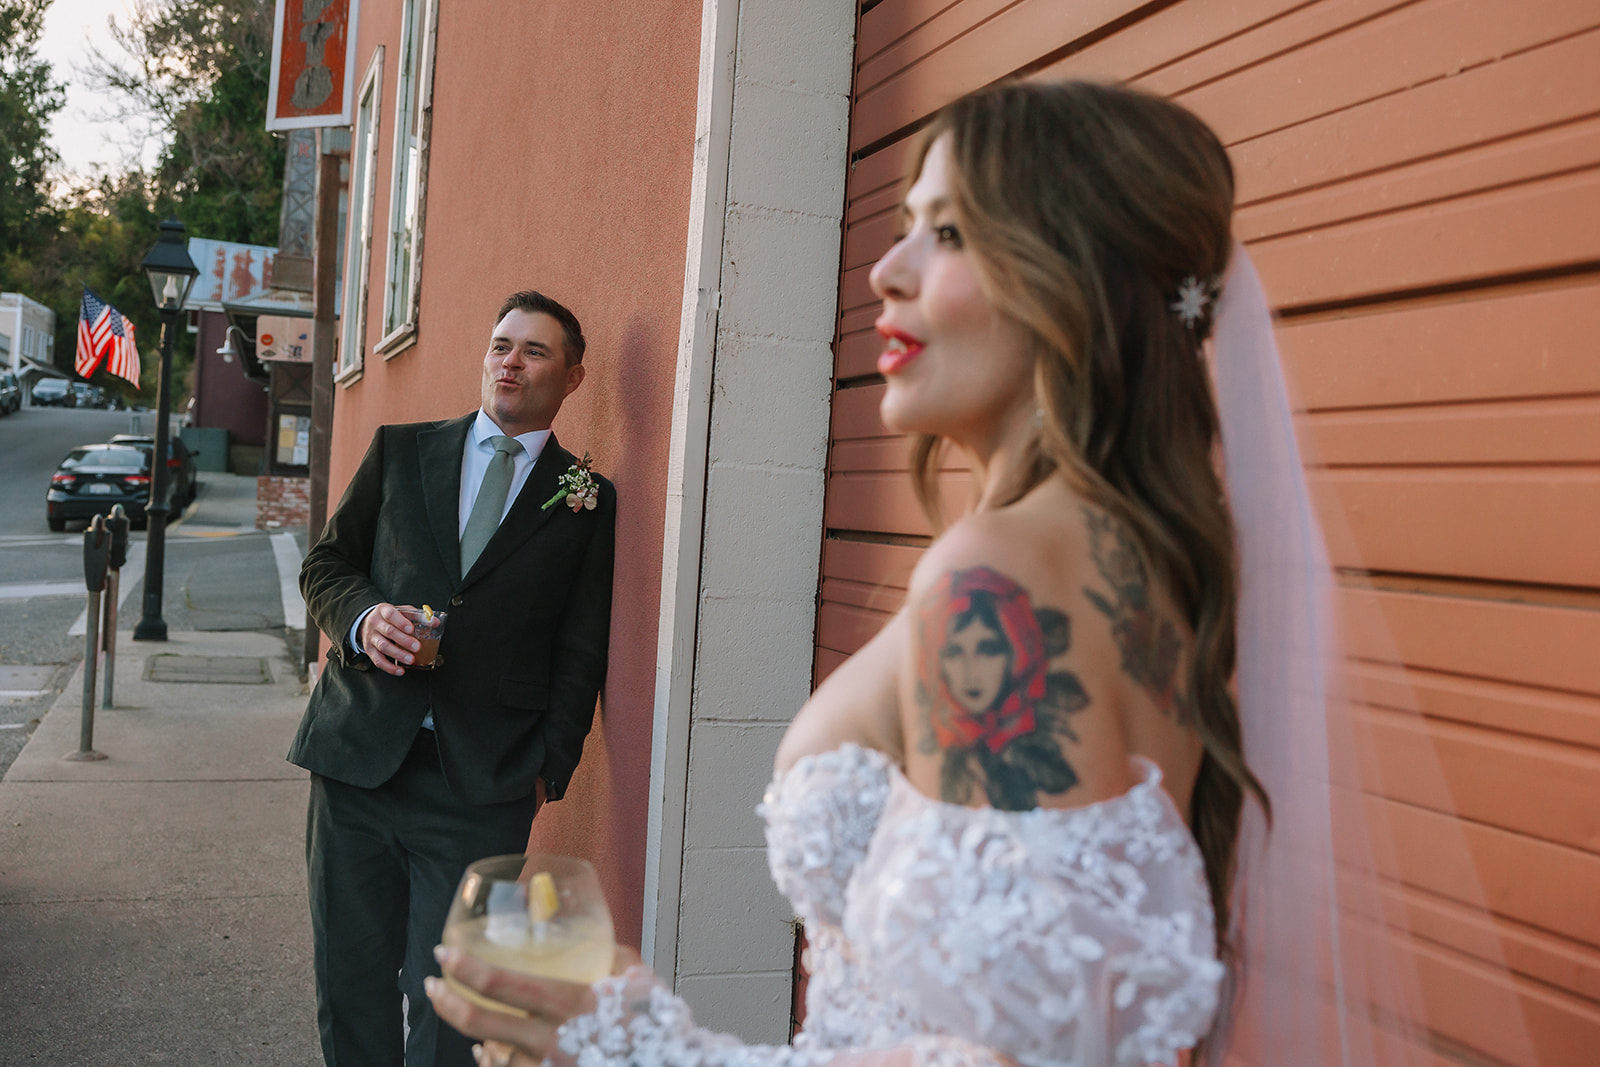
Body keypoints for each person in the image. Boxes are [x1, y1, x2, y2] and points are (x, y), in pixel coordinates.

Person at [424, 82, 1446, 1067]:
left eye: (950, 232)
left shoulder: (1001, 576)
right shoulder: (1145, 568)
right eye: (907, 223)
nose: (886, 269)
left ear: (1079, 283)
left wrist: (634, 1039)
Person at [293, 290, 616, 1067]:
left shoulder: (586, 500)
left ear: (572, 378)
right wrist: (364, 618)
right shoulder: (401, 451)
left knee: (455, 1005)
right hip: (357, 759)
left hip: (480, 787)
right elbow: (327, 564)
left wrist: (546, 770)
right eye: (502, 344)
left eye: (535, 351)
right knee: (350, 980)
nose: (511, 361)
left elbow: (581, 648)